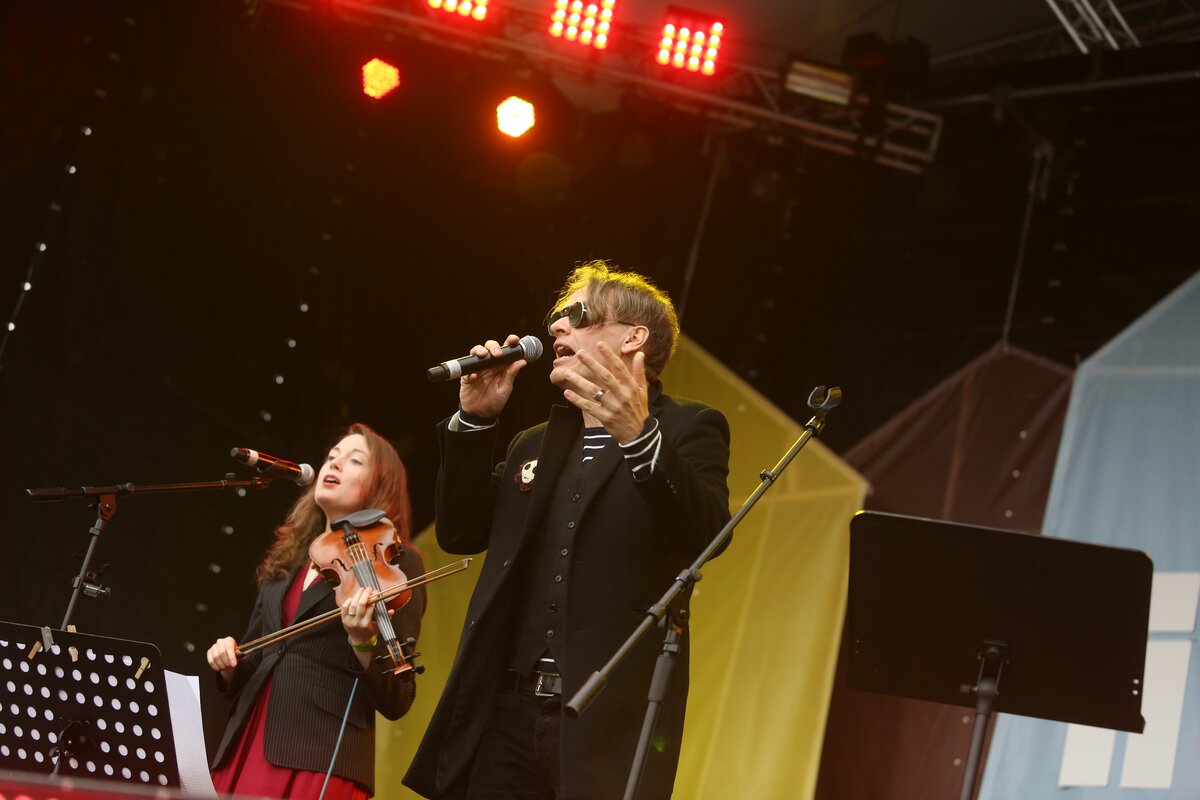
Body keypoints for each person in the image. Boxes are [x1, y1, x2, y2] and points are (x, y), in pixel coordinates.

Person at [404, 261, 732, 799]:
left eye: (578, 316)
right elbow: (461, 534)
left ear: (633, 337)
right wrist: (476, 421)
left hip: (608, 716)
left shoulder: (689, 427)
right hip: (508, 709)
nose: (557, 326)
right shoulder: (534, 443)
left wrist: (639, 435)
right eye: (557, 317)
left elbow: (707, 534)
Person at [207, 422, 426, 799]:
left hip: (318, 756)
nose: (334, 464)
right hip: (248, 739)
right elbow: (257, 657)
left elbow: (398, 696)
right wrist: (228, 664)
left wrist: (363, 640)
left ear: (382, 484)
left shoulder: (395, 561)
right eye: (332, 456)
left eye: (354, 460)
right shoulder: (289, 557)